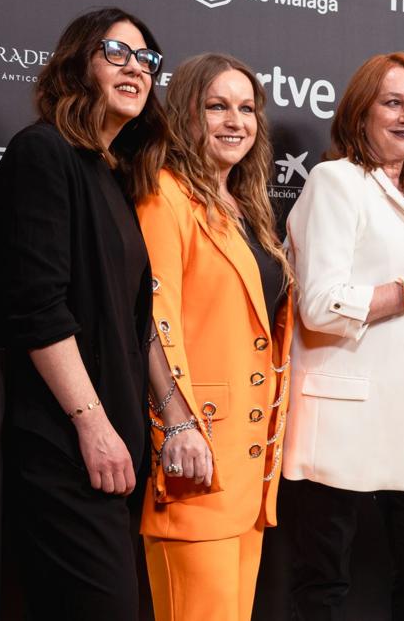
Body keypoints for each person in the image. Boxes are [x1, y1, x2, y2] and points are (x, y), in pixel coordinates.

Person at [0, 7, 168, 619]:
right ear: (77, 63)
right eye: (116, 53)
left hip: (116, 451)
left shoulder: (111, 174)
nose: (135, 68)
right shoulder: (42, 153)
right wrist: (92, 427)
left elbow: (132, 322)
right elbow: (38, 309)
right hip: (67, 448)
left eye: (145, 59)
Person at [282, 51, 404, 620]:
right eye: (393, 102)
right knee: (323, 581)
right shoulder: (335, 180)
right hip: (343, 411)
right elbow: (319, 303)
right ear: (360, 112)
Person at [135, 53, 294, 621]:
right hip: (195, 461)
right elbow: (152, 317)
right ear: (186, 115)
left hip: (248, 471)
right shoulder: (164, 193)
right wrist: (176, 423)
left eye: (247, 108)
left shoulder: (247, 207)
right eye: (217, 106)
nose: (236, 121)